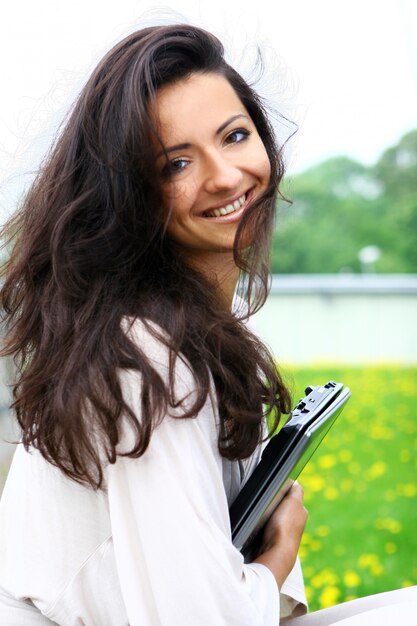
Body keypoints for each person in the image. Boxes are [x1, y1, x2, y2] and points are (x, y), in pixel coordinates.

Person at [0, 23, 415, 626]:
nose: (225, 176)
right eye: (175, 164)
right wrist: (275, 557)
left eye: (235, 136)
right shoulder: (145, 360)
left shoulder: (195, 338)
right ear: (130, 197)